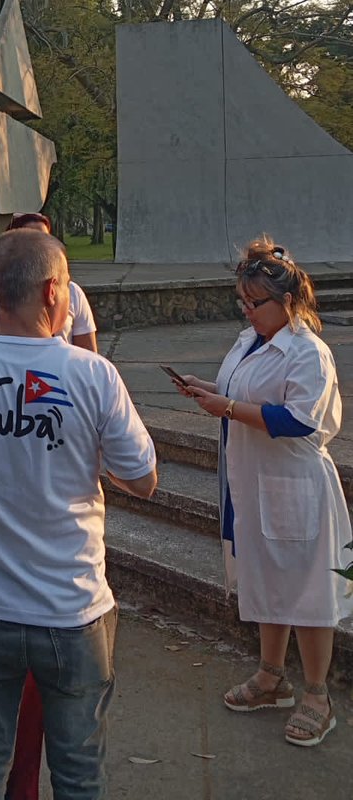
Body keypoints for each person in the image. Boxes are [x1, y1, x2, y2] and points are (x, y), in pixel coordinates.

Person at [0, 230, 156, 800]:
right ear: (51, 292)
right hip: (74, 609)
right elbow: (142, 479)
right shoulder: (93, 375)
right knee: (78, 774)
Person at [178, 238, 353, 748]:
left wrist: (228, 408)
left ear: (289, 302)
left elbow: (299, 420)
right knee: (265, 580)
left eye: (257, 303)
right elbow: (237, 392)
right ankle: (271, 677)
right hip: (252, 483)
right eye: (244, 301)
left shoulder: (307, 351)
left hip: (295, 486)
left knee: (308, 592)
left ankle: (318, 695)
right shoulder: (248, 341)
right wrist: (206, 390)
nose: (248, 311)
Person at [0, 213, 98, 351]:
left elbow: (88, 350)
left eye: (46, 238)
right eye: (33, 238)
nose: (40, 245)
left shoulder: (72, 292)